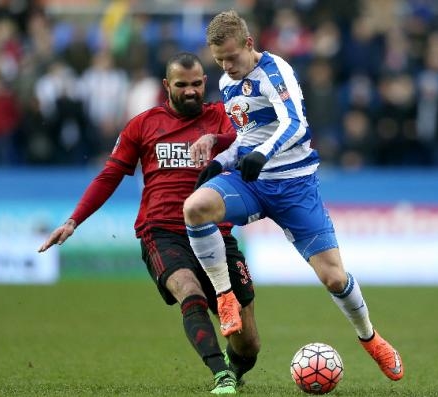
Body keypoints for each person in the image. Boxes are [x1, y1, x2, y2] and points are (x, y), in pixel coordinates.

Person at [183, 10, 404, 381]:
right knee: (196, 208)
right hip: (252, 183)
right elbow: (247, 138)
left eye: (232, 57)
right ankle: (224, 298)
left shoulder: (275, 71)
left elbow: (295, 122)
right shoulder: (227, 82)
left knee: (334, 278)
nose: (226, 66)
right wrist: (221, 162)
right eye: (219, 60)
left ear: (249, 45)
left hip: (295, 187)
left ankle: (371, 338)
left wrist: (260, 155)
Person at [38, 52, 260, 395]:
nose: (190, 92)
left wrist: (215, 139)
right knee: (189, 290)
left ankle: (234, 367)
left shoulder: (220, 117)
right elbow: (110, 175)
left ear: (205, 82)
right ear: (166, 86)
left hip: (217, 233)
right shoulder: (143, 125)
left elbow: (250, 141)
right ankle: (220, 373)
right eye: (182, 85)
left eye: (197, 84)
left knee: (249, 343)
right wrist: (73, 220)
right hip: (162, 232)